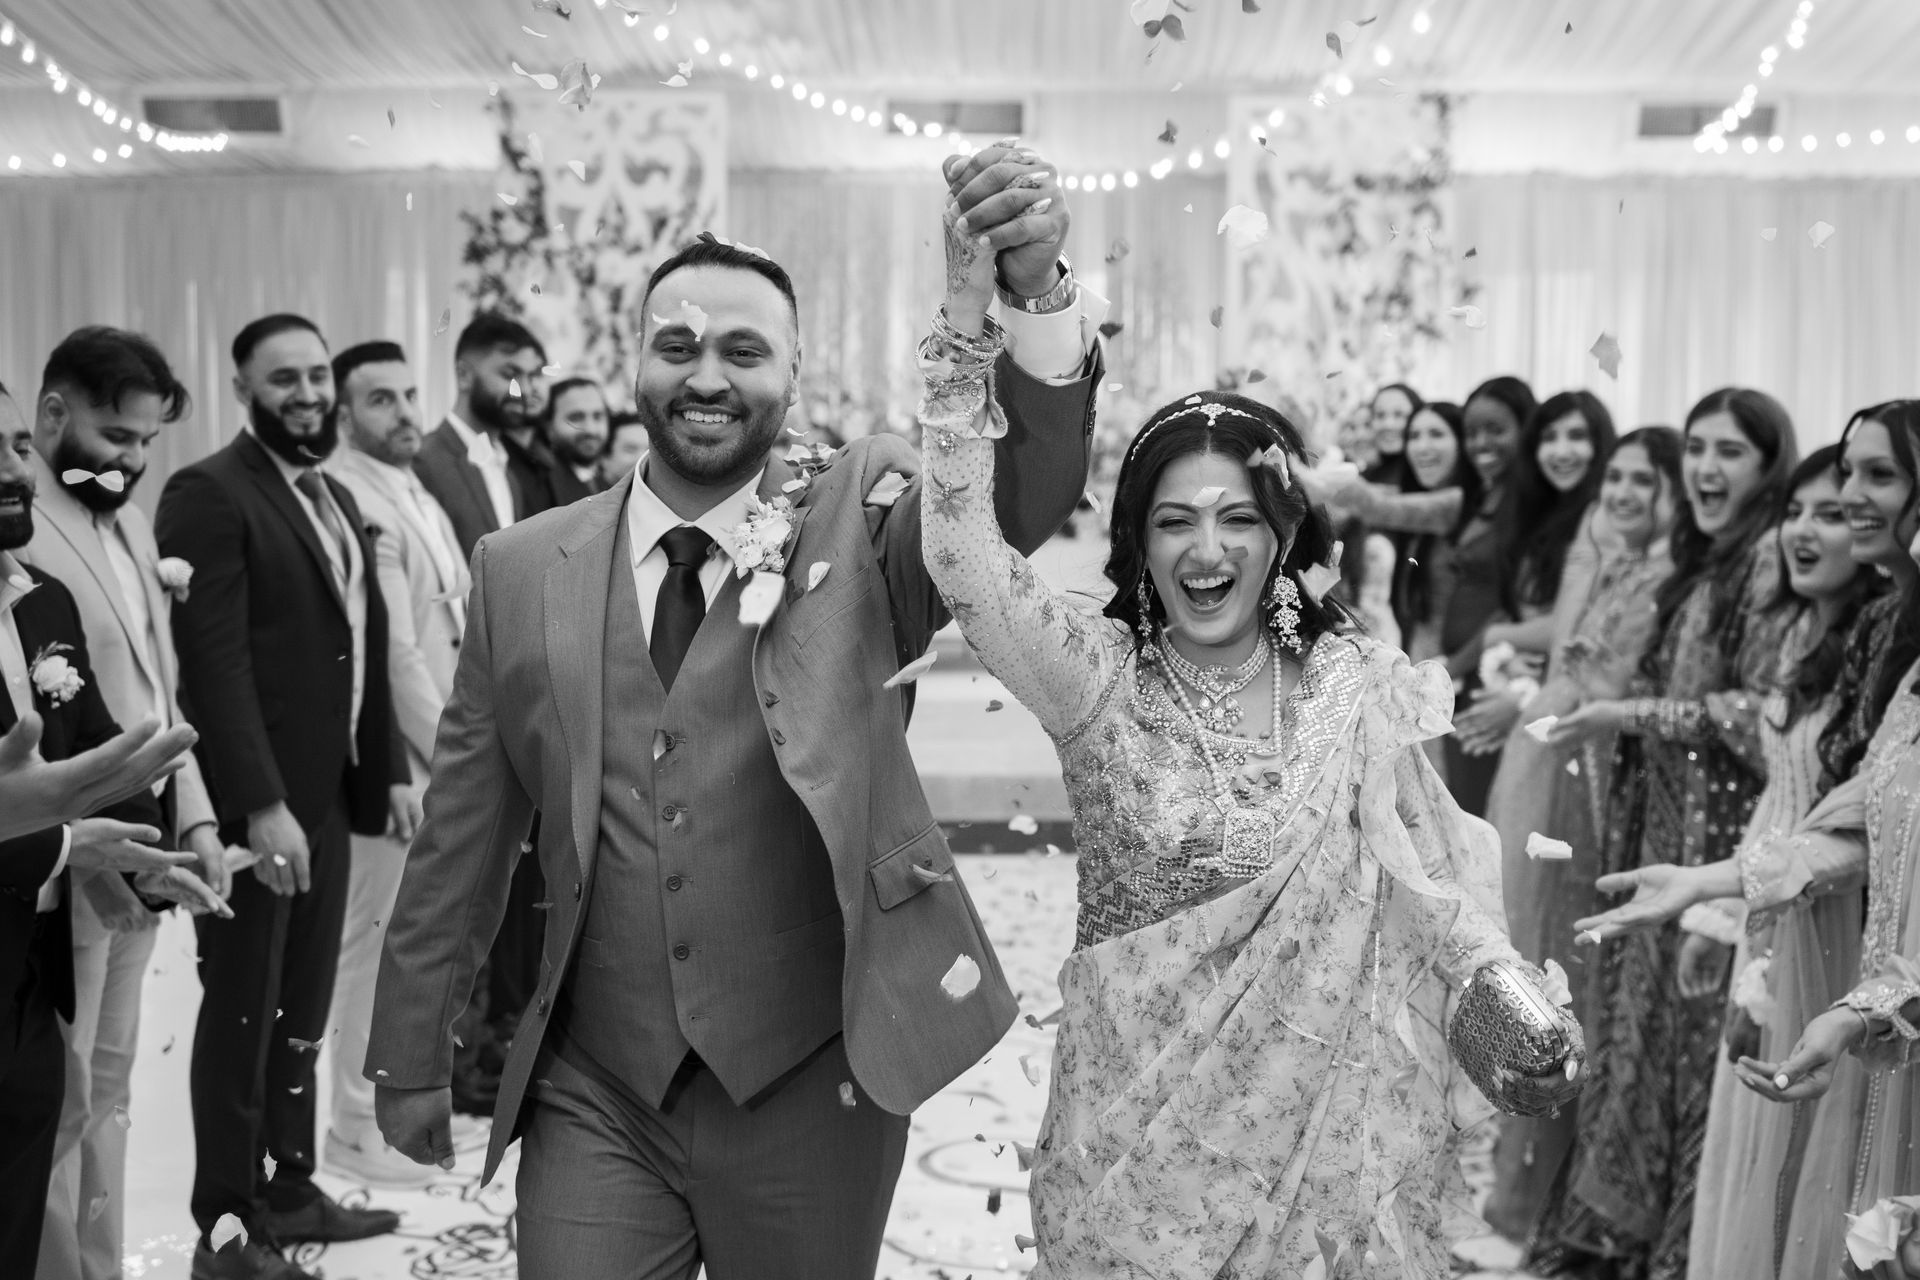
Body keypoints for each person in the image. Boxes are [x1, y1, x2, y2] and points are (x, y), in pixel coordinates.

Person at [368, 144, 1104, 1279]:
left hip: (817, 1074)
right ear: (636, 365)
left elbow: (1010, 500)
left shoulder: (865, 508)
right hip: (597, 1083)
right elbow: (461, 830)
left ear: (793, 374)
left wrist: (1035, 296)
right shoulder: (521, 568)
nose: (707, 375)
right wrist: (412, 1050)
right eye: (679, 346)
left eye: (743, 350)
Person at [921, 207, 1579, 1272]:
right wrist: (968, 326)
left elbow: (1429, 885)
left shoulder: (1354, 683)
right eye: (1175, 520)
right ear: (1137, 538)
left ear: (1283, 537)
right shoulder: (1095, 676)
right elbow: (961, 553)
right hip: (1132, 1148)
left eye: (1238, 518)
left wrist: (1504, 1001)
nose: (1207, 547)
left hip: (1318, 1165)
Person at [1571, 403, 1920, 1279]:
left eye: (1874, 479)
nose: (1842, 502)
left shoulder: (1873, 630)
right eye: (1846, 477)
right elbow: (1856, 824)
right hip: (1839, 956)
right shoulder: (1896, 654)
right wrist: (1710, 881)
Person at [157, 314, 418, 1280]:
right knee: (240, 1016)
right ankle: (227, 1233)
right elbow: (211, 665)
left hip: (323, 795)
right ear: (243, 387)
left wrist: (384, 765)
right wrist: (258, 804)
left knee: (301, 1010)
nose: (306, 392)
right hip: (252, 808)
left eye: (316, 375)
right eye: (284, 379)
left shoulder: (327, 494)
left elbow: (366, 634)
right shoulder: (208, 494)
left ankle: (290, 1184)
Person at [1528, 387, 1799, 1280]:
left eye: (1730, 452)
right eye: (1699, 449)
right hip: (1668, 823)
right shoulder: (1709, 560)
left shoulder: (1762, 564)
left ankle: (1676, 1252)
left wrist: (1630, 709)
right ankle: (1625, 1241)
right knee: (1639, 1041)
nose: (1707, 469)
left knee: (1686, 1052)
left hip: (1717, 843)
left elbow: (1762, 713)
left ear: (1768, 467)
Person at [19, 327, 232, 1280]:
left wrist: (194, 822)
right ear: (53, 412)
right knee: (60, 1098)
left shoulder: (134, 527)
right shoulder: (27, 539)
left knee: (109, 1089)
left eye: (145, 441)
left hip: (147, 838)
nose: (131, 461)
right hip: (63, 852)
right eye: (113, 436)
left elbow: (161, 690)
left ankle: (97, 1266)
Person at [1479, 426, 1682, 1238]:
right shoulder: (1617, 557)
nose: (1625, 495)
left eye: (1646, 481)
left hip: (1594, 790)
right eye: (1619, 478)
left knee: (1574, 987)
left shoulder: (1667, 574)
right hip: (1555, 776)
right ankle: (1525, 1199)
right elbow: (1570, 655)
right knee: (1536, 976)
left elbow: (1604, 679)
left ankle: (1551, 1204)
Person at [321, 341, 468, 1188]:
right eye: (381, 400)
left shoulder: (411, 486)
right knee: (371, 947)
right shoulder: (355, 497)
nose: (406, 412)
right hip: (398, 760)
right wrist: (449, 752)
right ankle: (350, 1125)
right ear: (345, 416)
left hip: (435, 742)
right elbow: (394, 654)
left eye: (410, 394)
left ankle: (388, 1108)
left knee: (407, 947)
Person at [1452, 391, 1617, 767]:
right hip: (1518, 683)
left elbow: (1578, 623)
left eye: (1577, 436)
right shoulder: (1543, 512)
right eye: (1549, 438)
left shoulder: (1601, 517)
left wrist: (1498, 643)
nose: (1561, 451)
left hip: (1555, 701)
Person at [413, 312, 544, 558]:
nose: (524, 390)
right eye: (510, 374)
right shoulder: (425, 461)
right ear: (464, 375)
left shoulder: (508, 468)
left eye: (530, 376)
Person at [544, 376, 611, 499]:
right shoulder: (540, 486)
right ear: (549, 426)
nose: (590, 429)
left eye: (598, 416)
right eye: (576, 418)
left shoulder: (611, 486)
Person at [1364, 381, 1422, 487]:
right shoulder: (1367, 474)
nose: (1388, 425)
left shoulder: (1426, 476)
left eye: (1399, 414)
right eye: (1380, 415)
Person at [601, 410, 648, 487]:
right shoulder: (582, 496)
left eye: (648, 451)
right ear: (605, 457)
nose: (642, 458)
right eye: (630, 450)